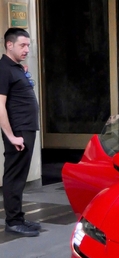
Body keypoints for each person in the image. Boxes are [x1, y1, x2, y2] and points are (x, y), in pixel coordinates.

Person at [0, 28, 40, 237]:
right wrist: (11, 135)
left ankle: (19, 217)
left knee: (20, 176)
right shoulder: (3, 69)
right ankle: (13, 222)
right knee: (14, 177)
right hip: (18, 131)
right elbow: (0, 105)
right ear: (9, 44)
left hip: (25, 129)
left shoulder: (15, 68)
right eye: (22, 45)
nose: (27, 49)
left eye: (28, 45)